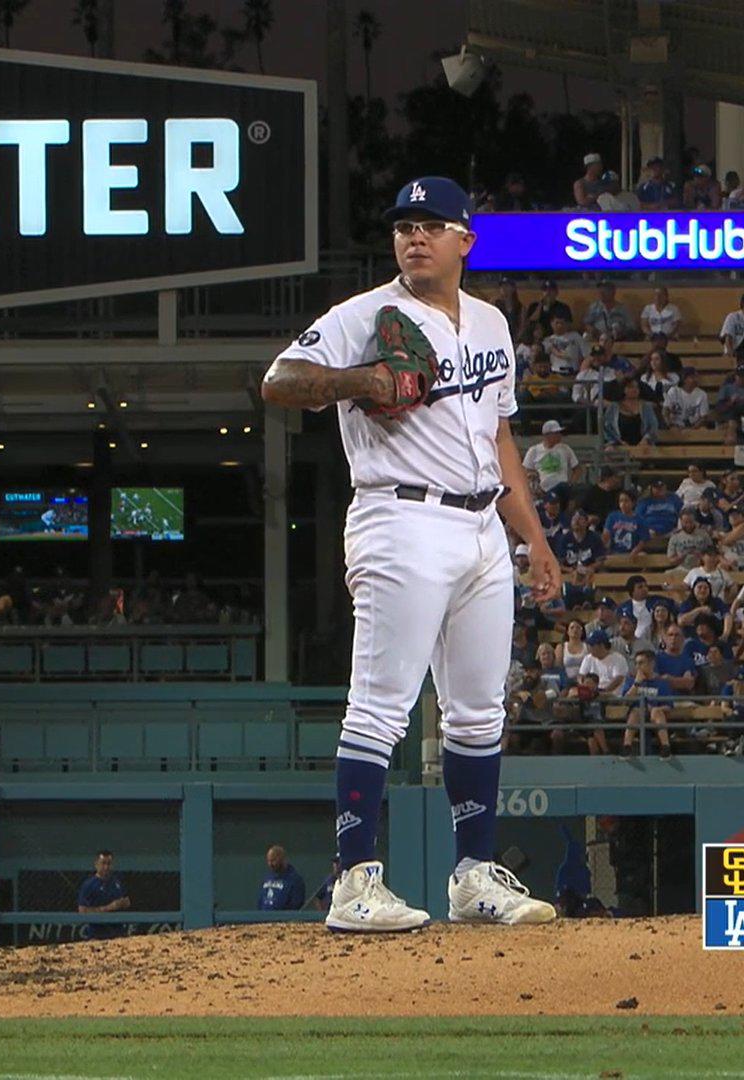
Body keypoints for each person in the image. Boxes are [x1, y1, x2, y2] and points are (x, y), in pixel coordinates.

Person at [262, 176, 556, 933]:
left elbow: (499, 437)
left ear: (465, 240)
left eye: (430, 225)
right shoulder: (366, 316)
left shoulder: (491, 324)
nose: (413, 237)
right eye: (402, 227)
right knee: (381, 706)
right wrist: (363, 379)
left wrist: (535, 537)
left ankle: (472, 877)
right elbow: (280, 382)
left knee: (479, 711)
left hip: (483, 526)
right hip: (400, 516)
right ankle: (353, 881)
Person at [76, 849, 131, 939]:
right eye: (103, 863)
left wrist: (123, 903)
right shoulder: (89, 885)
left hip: (118, 934)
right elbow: (82, 911)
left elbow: (127, 901)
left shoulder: (117, 882)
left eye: (109, 863)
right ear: (96, 864)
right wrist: (109, 907)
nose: (106, 867)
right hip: (97, 934)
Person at [257, 844, 306, 911]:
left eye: (273, 860)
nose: (270, 864)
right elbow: (260, 901)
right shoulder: (267, 878)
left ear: (282, 859)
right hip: (264, 919)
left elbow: (296, 905)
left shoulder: (294, 880)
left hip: (282, 919)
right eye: (268, 861)